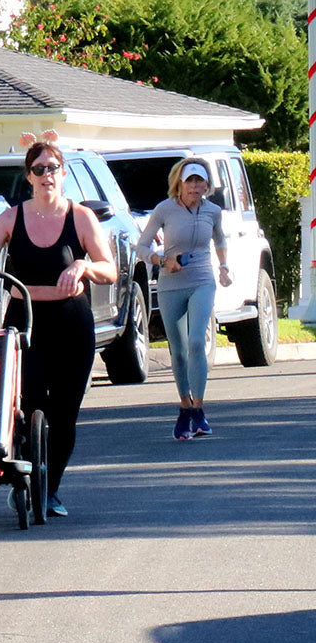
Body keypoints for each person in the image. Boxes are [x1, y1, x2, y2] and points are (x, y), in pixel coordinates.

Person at [0, 132, 117, 517]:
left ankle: (50, 488)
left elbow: (109, 270)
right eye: (38, 170)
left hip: (71, 321)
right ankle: (25, 476)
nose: (46, 175)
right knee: (28, 403)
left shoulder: (80, 217)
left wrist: (83, 265)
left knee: (65, 411)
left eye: (52, 168)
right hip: (25, 322)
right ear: (28, 176)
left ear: (63, 173)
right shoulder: (12, 217)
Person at [135, 157, 231, 440]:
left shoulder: (213, 211)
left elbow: (220, 239)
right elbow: (141, 246)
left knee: (197, 341)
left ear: (207, 185)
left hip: (202, 280)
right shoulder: (164, 210)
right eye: (190, 181)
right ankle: (185, 406)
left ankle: (199, 408)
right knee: (178, 350)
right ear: (179, 183)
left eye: (200, 181)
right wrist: (163, 260)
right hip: (171, 283)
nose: (195, 187)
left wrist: (224, 267)